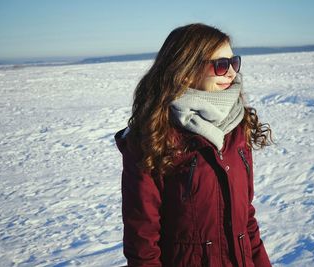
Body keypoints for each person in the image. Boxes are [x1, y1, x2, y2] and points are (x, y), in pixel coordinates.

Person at [115, 23, 273, 267]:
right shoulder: (153, 137)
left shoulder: (237, 127)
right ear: (186, 71)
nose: (232, 73)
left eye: (234, 62)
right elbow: (143, 242)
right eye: (221, 65)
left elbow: (246, 220)